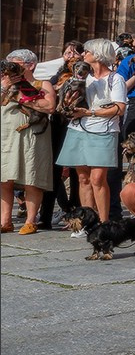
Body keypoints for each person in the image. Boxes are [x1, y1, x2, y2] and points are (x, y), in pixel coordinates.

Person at [56, 39, 127, 225]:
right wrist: (68, 106)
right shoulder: (82, 77)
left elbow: (120, 109)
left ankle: (103, 222)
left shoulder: (115, 79)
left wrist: (91, 112)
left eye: (86, 51)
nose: (82, 54)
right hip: (78, 128)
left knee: (98, 178)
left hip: (103, 130)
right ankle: (87, 221)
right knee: (83, 177)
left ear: (97, 55)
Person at [0, 50, 56, 234]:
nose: (11, 68)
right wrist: (5, 86)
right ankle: (5, 221)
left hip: (33, 136)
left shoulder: (42, 84)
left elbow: (49, 107)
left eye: (15, 64)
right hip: (7, 134)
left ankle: (31, 220)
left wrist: (20, 97)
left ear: (30, 65)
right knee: (4, 178)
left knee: (32, 177)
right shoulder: (4, 82)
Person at [38, 41, 83, 228]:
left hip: (78, 123)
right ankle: (45, 217)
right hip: (59, 124)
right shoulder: (59, 74)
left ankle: (76, 214)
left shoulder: (85, 72)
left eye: (74, 53)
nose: (70, 56)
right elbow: (51, 88)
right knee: (54, 169)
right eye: (67, 52)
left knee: (77, 173)